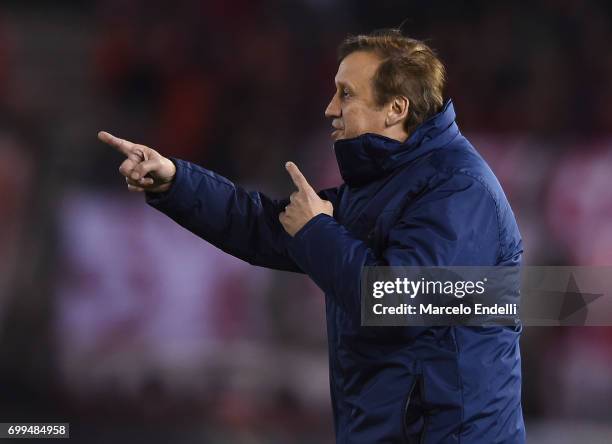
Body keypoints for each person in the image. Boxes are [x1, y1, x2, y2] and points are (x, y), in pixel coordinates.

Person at [99, 29, 525, 443]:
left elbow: (398, 303)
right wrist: (174, 181)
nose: (330, 108)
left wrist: (317, 230)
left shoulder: (458, 189)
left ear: (396, 108)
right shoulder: (385, 186)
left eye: (346, 93)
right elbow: (264, 227)